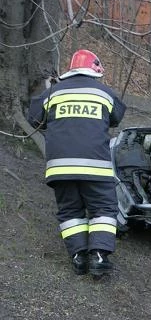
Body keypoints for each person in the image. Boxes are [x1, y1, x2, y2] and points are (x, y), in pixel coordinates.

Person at [28, 49, 126, 277]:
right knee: (103, 209)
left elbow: (34, 118)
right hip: (95, 168)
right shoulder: (104, 94)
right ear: (95, 70)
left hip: (59, 168)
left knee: (70, 210)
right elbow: (116, 117)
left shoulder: (52, 93)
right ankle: (99, 257)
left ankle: (79, 257)